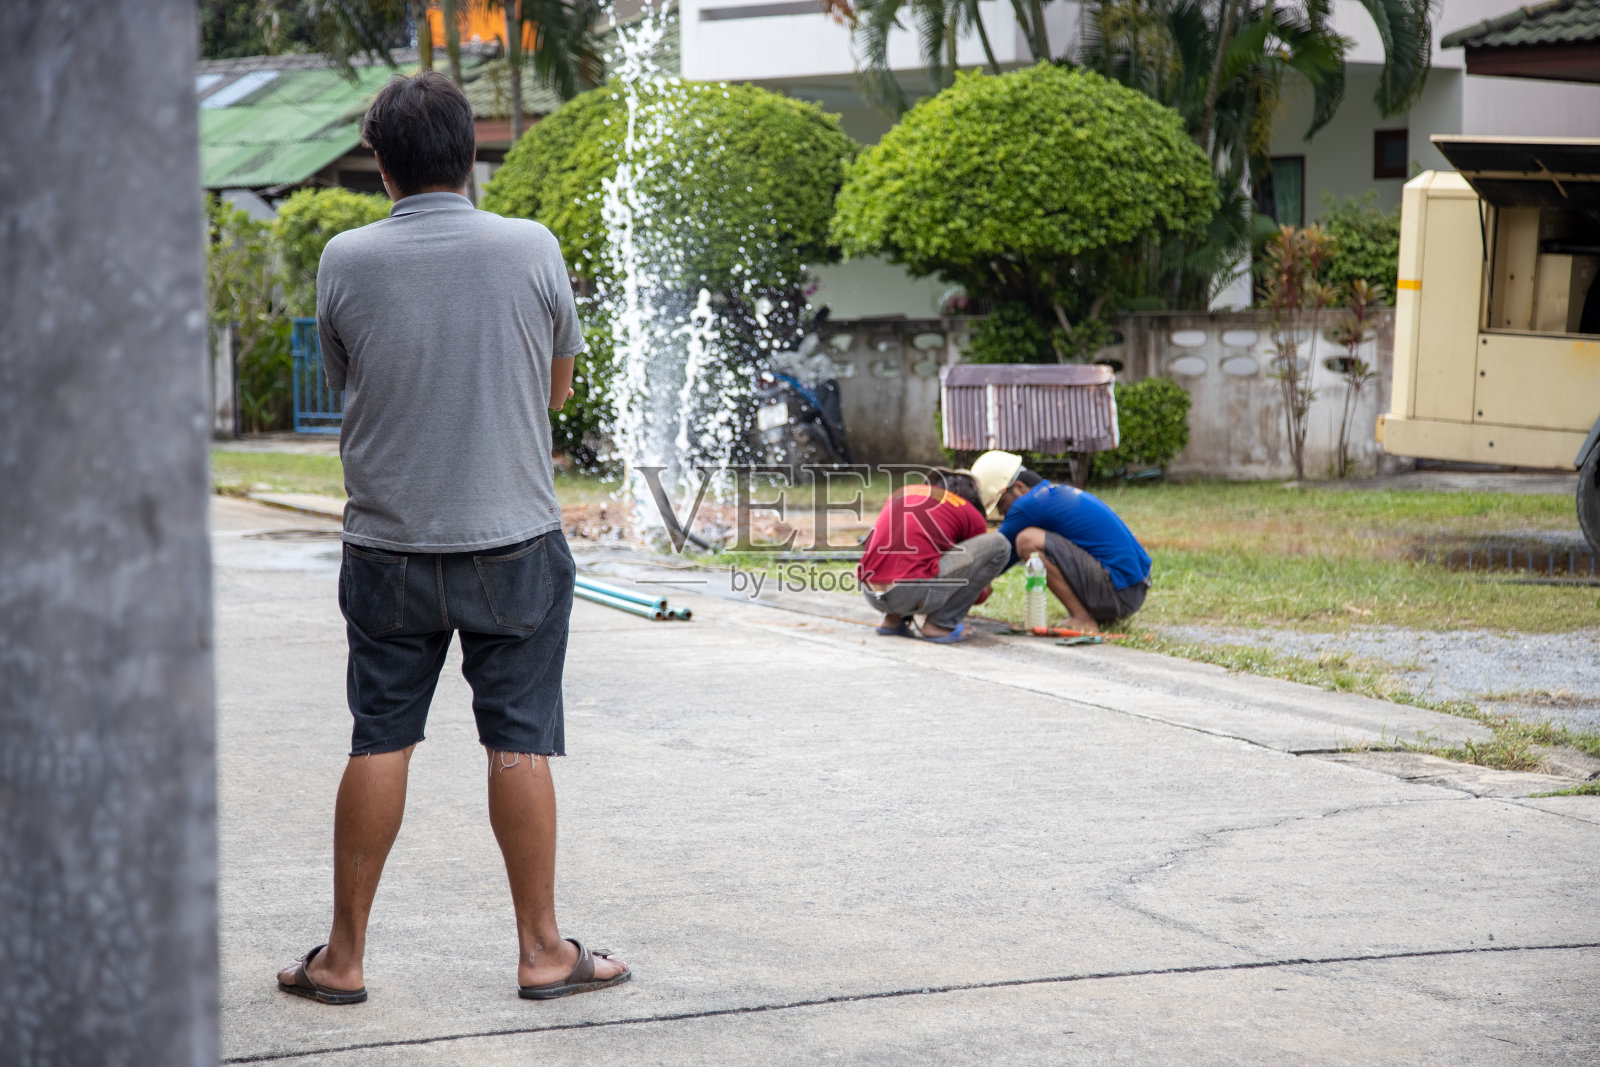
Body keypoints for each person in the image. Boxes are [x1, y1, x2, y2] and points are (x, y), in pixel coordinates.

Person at [274, 72, 628, 1006]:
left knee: (380, 737)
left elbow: (356, 381)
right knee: (518, 740)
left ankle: (343, 960)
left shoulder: (345, 257)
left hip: (387, 547)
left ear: (380, 165)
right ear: (472, 153)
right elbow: (556, 390)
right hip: (513, 539)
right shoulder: (531, 245)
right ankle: (544, 950)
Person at [971, 450, 1152, 633]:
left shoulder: (1028, 504)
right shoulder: (1050, 495)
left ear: (1018, 487)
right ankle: (1088, 614)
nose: (1002, 513)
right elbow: (1004, 558)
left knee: (1027, 540)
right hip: (1132, 590)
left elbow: (996, 551)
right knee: (1026, 539)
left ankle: (1083, 619)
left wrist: (966, 585)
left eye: (1001, 504)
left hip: (1120, 593)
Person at [857, 469, 1011, 643]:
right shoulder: (968, 511)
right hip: (908, 593)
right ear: (972, 496)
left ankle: (892, 620)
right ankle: (941, 624)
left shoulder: (903, 493)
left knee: (910, 558)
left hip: (870, 592)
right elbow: (979, 595)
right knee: (1001, 544)